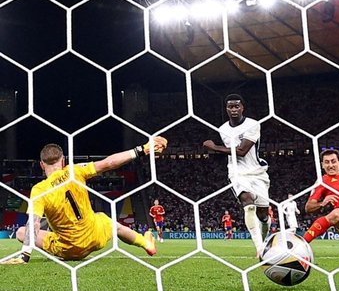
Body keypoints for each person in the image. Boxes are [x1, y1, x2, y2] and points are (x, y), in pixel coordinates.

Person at [0, 137, 167, 265]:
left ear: (42, 165)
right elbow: (108, 163)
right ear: (63, 160)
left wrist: (25, 255)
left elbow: (34, 223)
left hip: (68, 249)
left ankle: (49, 252)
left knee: (22, 232)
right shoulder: (74, 171)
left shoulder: (40, 189)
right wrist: (142, 149)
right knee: (109, 222)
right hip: (94, 237)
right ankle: (145, 243)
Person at [203, 94, 271, 257]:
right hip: (237, 172)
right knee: (247, 200)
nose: (233, 109)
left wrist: (214, 148)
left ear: (243, 108)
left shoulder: (253, 125)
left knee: (263, 214)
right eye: (230, 107)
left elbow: (241, 151)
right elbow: (231, 154)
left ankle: (264, 240)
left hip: (257, 172)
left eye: (236, 106)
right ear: (226, 109)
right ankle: (259, 248)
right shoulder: (223, 129)